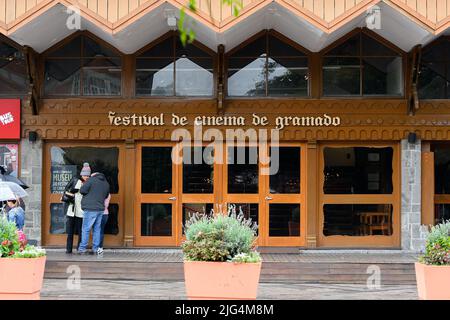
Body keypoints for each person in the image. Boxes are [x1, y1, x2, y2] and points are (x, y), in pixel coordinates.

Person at [78, 171, 110, 255]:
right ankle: (95, 248)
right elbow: (106, 196)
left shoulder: (91, 180)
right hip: (100, 209)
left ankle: (82, 248)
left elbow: (82, 190)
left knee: (86, 229)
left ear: (93, 175)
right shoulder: (106, 183)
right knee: (97, 229)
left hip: (90, 208)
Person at [63, 163, 91, 254]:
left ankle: (79, 249)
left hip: (81, 210)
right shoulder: (75, 180)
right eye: (85, 175)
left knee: (81, 231)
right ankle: (68, 249)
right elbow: (66, 190)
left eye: (88, 175)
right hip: (72, 209)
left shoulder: (89, 183)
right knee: (70, 231)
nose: (86, 177)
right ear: (81, 174)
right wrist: (72, 193)